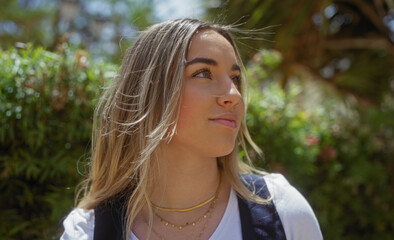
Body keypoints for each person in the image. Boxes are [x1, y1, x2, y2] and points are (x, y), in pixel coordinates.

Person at [60, 18, 323, 240]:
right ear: (149, 93)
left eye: (235, 78)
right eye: (203, 73)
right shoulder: (87, 231)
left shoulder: (282, 211)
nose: (233, 94)